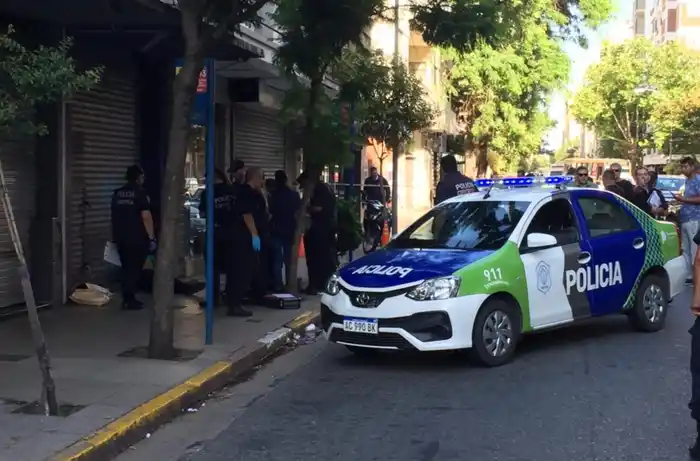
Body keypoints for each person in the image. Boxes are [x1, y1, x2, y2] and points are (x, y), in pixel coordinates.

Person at [110, 165, 156, 310]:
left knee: (126, 267)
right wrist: (151, 237)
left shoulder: (117, 193)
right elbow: (146, 217)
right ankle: (129, 299)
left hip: (121, 237)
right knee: (134, 269)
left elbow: (114, 216)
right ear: (138, 177)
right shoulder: (140, 193)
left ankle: (127, 297)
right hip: (137, 238)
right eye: (142, 176)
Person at [228, 168, 268, 316]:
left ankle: (240, 299)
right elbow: (247, 215)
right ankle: (235, 304)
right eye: (262, 178)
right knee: (242, 270)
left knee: (248, 269)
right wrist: (254, 235)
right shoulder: (246, 193)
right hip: (243, 237)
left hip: (245, 236)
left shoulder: (251, 193)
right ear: (255, 178)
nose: (263, 182)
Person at [198, 168, 236, 307]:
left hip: (214, 232)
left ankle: (214, 298)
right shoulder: (232, 190)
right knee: (232, 267)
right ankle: (230, 297)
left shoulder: (207, 193)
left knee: (212, 267)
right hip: (232, 232)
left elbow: (202, 214)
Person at [297, 172, 337, 295]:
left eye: (303, 184)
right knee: (325, 258)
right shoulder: (325, 187)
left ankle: (317, 285)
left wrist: (305, 208)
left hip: (320, 230)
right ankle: (322, 284)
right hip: (326, 229)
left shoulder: (320, 189)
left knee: (316, 259)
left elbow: (318, 208)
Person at [269, 170, 301, 291]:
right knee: (289, 259)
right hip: (289, 228)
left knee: (277, 259)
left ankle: (278, 284)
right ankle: (289, 282)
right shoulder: (294, 195)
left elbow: (269, 211)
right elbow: (297, 211)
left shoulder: (273, 195)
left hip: (276, 228)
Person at [674, 156, 700, 285]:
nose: (683, 169)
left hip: (694, 219)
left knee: (694, 249)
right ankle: (689, 274)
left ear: (692, 167)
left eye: (685, 166)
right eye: (682, 167)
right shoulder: (688, 181)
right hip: (685, 219)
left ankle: (696, 276)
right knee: (686, 249)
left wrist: (683, 199)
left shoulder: (698, 180)